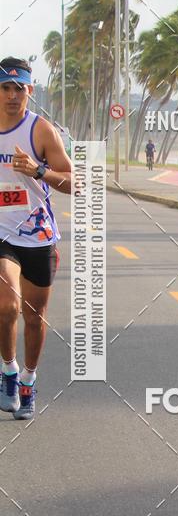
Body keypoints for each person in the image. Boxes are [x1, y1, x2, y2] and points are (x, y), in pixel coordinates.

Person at [0, 57, 72, 419]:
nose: (13, 95)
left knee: (33, 316)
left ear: (30, 90)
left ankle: (28, 378)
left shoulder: (41, 130)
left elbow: (76, 182)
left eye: (20, 88)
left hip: (38, 235)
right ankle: (8, 370)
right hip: (2, 235)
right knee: (6, 306)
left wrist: (39, 170)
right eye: (5, 87)